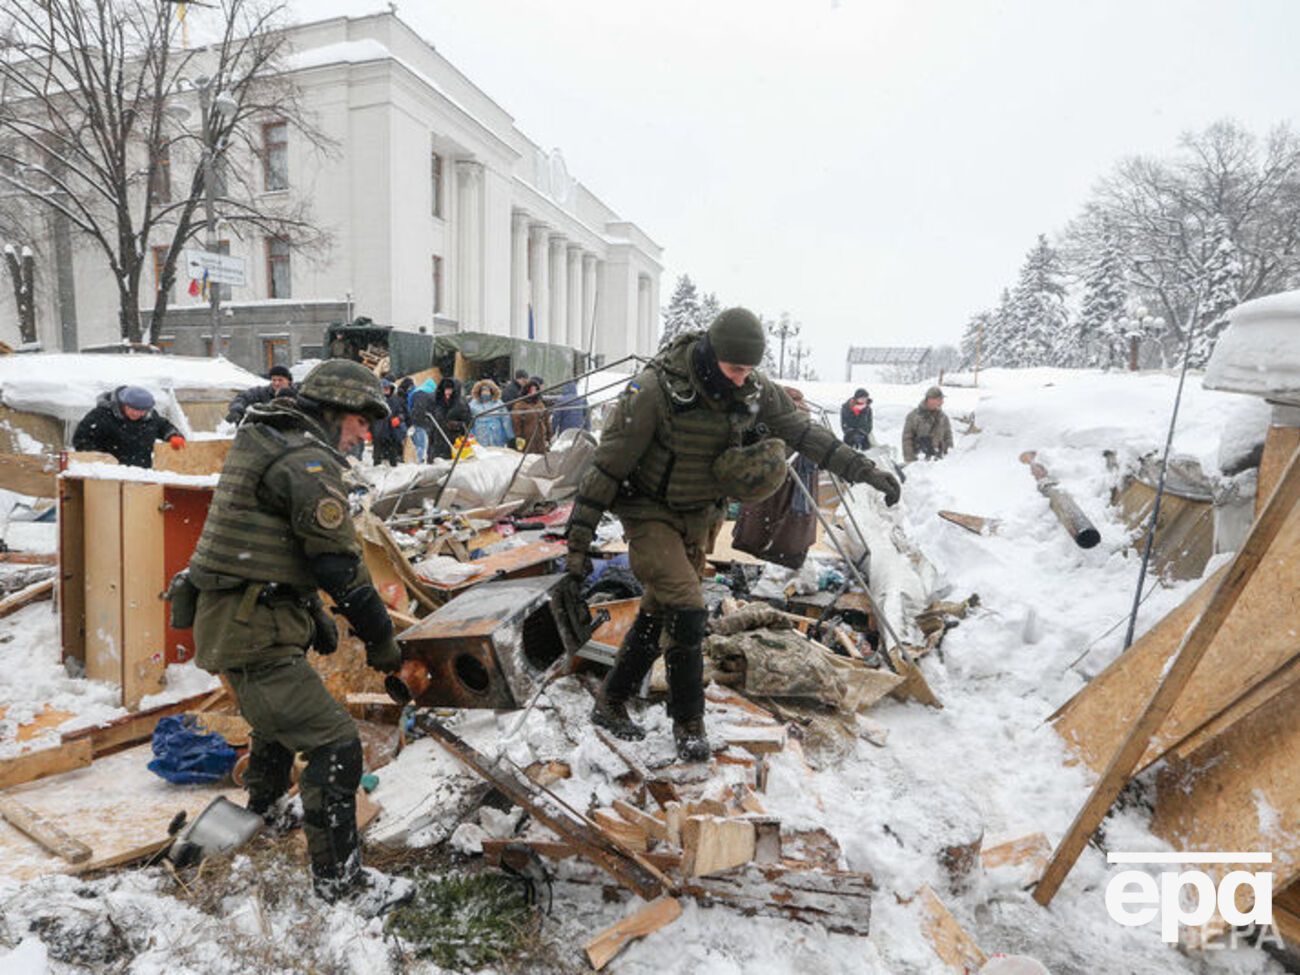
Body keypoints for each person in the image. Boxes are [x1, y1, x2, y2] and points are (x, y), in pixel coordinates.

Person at [565, 308, 901, 761]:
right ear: (710, 355)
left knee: (660, 609)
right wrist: (577, 546)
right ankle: (689, 724)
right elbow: (606, 467)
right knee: (687, 608)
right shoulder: (654, 392)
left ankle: (611, 700)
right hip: (649, 513)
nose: (742, 380)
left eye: (749, 370)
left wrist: (865, 470)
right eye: (734, 369)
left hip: (700, 515)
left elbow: (805, 433)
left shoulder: (755, 390)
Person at [187, 359, 410, 914]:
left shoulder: (273, 436)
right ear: (332, 411)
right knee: (335, 745)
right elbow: (339, 564)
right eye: (361, 420)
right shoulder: (303, 459)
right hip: (251, 630)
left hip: (248, 618)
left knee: (277, 722)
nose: (366, 433)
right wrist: (382, 644)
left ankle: (257, 816)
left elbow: (279, 543)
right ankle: (341, 885)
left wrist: (312, 612)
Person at [72, 385, 185, 468]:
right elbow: (81, 439)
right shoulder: (101, 416)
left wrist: (173, 436)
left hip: (141, 473)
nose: (136, 414)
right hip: (109, 474)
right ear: (122, 404)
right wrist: (101, 458)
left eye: (141, 411)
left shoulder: (150, 417)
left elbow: (163, 426)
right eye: (132, 409)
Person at [225, 365, 295, 425]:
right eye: (274, 380)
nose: (276, 383)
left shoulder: (297, 393)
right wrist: (237, 410)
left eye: (280, 380)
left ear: (289, 381)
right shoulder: (262, 392)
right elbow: (243, 398)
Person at [902, 385, 954, 462]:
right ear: (930, 399)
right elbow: (907, 439)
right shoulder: (913, 416)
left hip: (939, 461)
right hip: (919, 461)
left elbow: (948, 437)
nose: (942, 402)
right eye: (939, 399)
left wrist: (950, 458)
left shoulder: (943, 417)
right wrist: (910, 460)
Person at [429, 377, 470, 460]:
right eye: (446, 389)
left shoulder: (461, 405)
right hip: (438, 441)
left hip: (455, 441)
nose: (447, 392)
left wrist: (457, 425)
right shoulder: (437, 404)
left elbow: (468, 423)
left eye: (450, 390)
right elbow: (433, 423)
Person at [370, 378, 407, 466]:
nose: (386, 390)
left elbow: (403, 413)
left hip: (392, 433)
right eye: (384, 388)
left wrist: (399, 418)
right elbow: (370, 417)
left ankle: (392, 475)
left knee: (393, 458)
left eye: (387, 388)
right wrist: (369, 431)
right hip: (378, 433)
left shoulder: (396, 400)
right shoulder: (375, 401)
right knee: (377, 458)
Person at [510, 376, 551, 454]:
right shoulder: (519, 405)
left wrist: (548, 435)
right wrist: (519, 437)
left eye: (535, 389)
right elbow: (516, 424)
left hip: (540, 439)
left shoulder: (540, 404)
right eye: (531, 390)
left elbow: (547, 420)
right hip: (527, 439)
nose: (533, 392)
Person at [468, 378, 512, 447]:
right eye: (483, 390)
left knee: (496, 453)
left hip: (496, 434)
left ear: (492, 391)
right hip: (480, 433)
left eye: (487, 390)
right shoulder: (473, 404)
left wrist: (509, 436)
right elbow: (469, 420)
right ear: (479, 391)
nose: (485, 392)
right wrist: (470, 434)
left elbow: (506, 420)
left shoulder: (498, 403)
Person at [407, 378, 437, 463]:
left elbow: (410, 406)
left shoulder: (415, 392)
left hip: (416, 421)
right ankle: (423, 460)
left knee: (419, 444)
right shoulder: (431, 394)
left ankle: (419, 460)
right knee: (424, 444)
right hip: (426, 420)